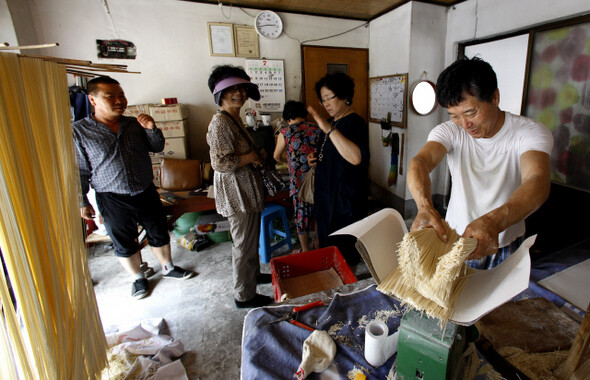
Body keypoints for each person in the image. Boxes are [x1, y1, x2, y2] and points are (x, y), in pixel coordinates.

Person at [408, 57, 553, 269]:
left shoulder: (529, 133)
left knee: (503, 300)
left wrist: (494, 221)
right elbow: (420, 163)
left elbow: (537, 181)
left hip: (506, 242)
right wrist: (424, 206)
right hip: (456, 239)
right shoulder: (450, 131)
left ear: (495, 97)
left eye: (471, 112)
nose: (465, 124)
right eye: (454, 115)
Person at [73, 76, 194, 300]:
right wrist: (82, 201)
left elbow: (157, 147)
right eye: (111, 96)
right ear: (92, 99)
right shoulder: (80, 131)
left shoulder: (133, 124)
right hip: (111, 196)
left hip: (145, 189)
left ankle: (168, 267)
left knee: (158, 231)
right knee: (124, 241)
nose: (119, 100)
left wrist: (151, 128)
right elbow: (80, 169)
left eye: (121, 95)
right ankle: (138, 278)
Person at [206, 65, 273, 308]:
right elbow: (220, 163)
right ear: (220, 94)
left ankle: (253, 276)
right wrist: (251, 158)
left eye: (242, 88)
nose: (239, 94)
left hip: (245, 191)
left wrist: (254, 153)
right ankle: (244, 295)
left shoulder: (234, 120)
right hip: (238, 194)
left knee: (250, 240)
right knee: (243, 244)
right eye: (232, 89)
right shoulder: (221, 123)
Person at [307, 72, 370, 266]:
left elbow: (355, 157)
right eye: (322, 100)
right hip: (327, 196)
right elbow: (330, 154)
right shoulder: (333, 122)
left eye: (329, 98)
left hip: (346, 201)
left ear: (344, 96)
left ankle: (344, 288)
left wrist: (328, 129)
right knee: (328, 247)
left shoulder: (355, 123)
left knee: (344, 252)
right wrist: (315, 158)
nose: (325, 104)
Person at [273, 100, 321, 252]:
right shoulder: (317, 127)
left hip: (299, 183)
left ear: (287, 118)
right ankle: (318, 245)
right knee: (318, 215)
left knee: (302, 217)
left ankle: (305, 250)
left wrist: (288, 162)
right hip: (318, 179)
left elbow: (276, 156)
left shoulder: (285, 133)